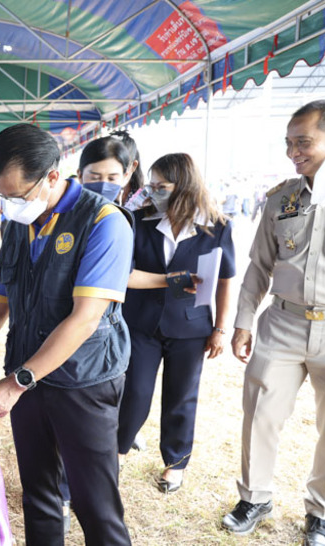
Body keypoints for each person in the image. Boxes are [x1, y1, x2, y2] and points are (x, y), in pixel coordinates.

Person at [0, 123, 134, 545]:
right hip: (27, 375)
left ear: (52, 177)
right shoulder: (17, 224)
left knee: (94, 504)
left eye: (17, 195)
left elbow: (84, 319)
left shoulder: (104, 222)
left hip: (82, 380)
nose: (7, 205)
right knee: (38, 495)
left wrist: (16, 382)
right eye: (0, 195)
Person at [222, 99, 325, 546]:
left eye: (303, 142)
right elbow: (258, 266)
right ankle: (254, 498)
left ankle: (323, 514)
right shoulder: (281, 198)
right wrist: (243, 321)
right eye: (289, 143)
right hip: (282, 323)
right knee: (260, 412)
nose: (293, 152)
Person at [116, 153, 235, 492]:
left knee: (182, 395)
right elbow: (124, 274)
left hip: (190, 326)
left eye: (161, 187)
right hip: (141, 322)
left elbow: (225, 280)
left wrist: (221, 328)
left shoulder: (217, 226)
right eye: (151, 186)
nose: (153, 192)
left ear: (184, 186)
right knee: (134, 390)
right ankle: (118, 449)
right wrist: (172, 280)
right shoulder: (139, 220)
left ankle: (176, 462)